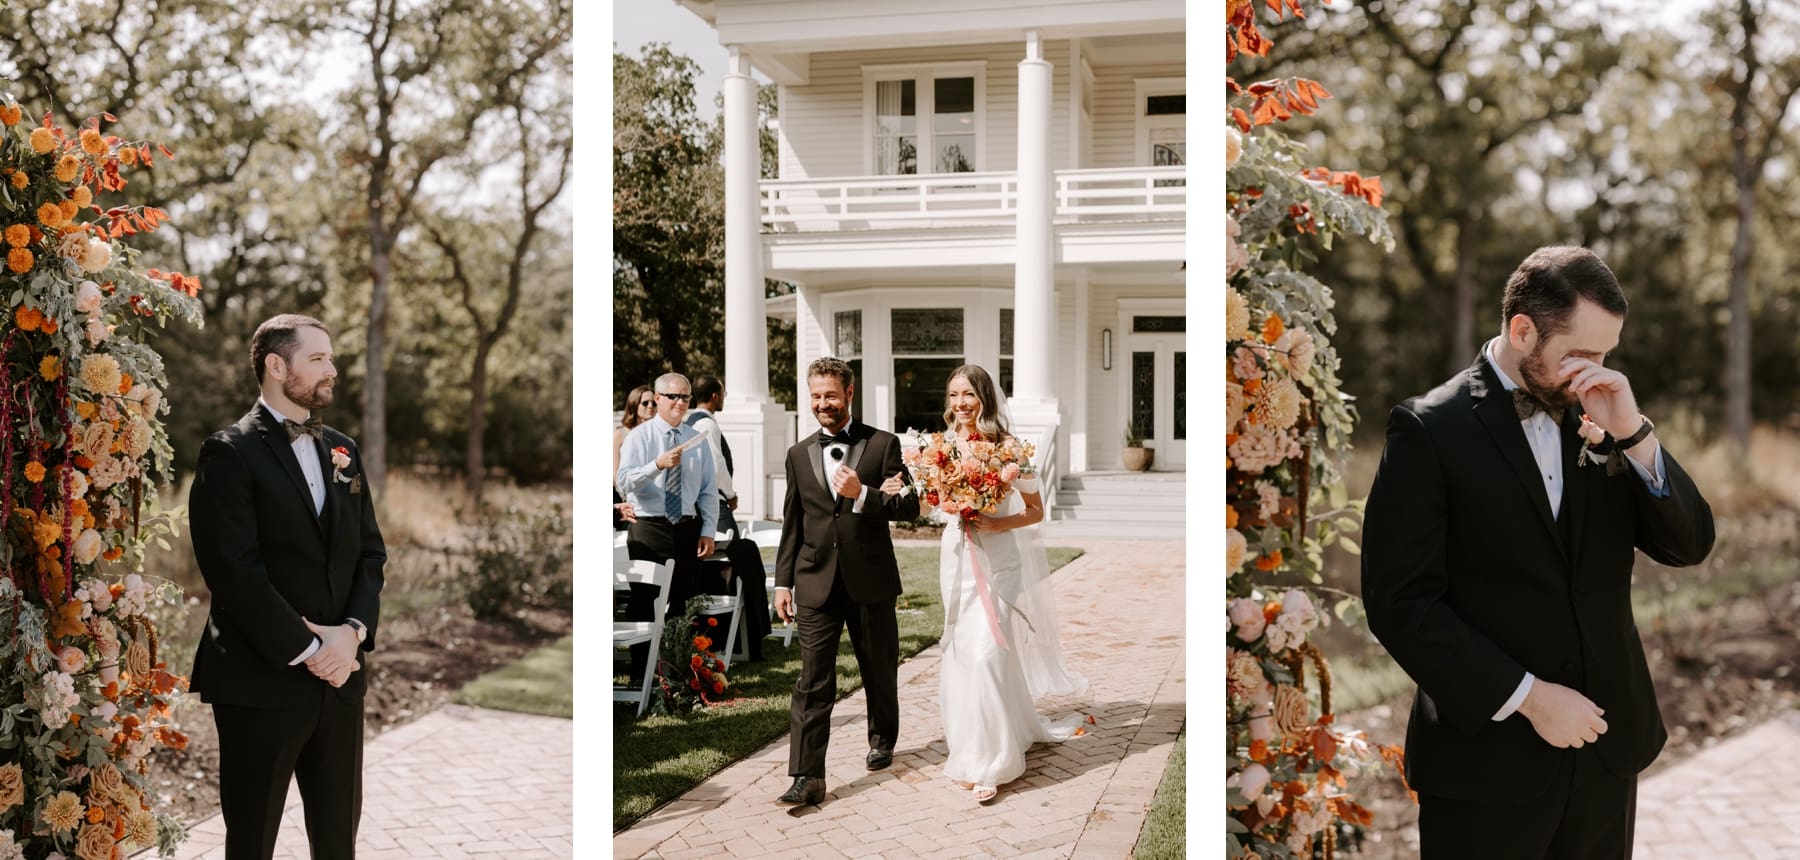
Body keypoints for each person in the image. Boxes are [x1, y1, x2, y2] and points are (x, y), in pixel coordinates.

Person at [1361, 246, 1715, 858]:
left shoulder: (1605, 416)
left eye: (1607, 354)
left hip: (1604, 758)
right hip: (1485, 771)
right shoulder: (1427, 430)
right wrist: (1530, 698)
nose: (1596, 372)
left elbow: (1690, 545)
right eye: (1582, 354)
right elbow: (1400, 603)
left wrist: (1633, 435)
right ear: (1523, 331)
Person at [188, 313, 387, 860]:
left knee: (338, 841)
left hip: (341, 679)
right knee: (252, 844)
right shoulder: (228, 451)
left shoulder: (343, 450)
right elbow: (233, 570)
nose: (332, 370)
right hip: (260, 680)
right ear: (276, 366)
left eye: (331, 358)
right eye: (317, 358)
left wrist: (351, 634)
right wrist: (311, 649)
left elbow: (370, 553)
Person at [884, 364, 1087, 805]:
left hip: (999, 563)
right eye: (954, 395)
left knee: (987, 654)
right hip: (957, 557)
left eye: (969, 394)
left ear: (985, 398)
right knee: (962, 654)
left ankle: (994, 762)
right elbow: (928, 504)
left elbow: (1035, 510)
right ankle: (975, 746)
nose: (960, 403)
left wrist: (997, 524)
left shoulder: (1009, 447)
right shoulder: (939, 449)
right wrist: (909, 491)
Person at [773, 357, 914, 806]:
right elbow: (792, 523)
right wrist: (782, 582)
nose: (823, 404)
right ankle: (807, 776)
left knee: (878, 668)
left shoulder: (883, 445)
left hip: (870, 577)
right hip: (815, 580)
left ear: (849, 393)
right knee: (812, 679)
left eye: (830, 395)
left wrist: (864, 495)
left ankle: (882, 739)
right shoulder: (798, 454)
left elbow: (909, 507)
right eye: (816, 396)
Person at [616, 373, 717, 675]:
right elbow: (624, 481)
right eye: (673, 396)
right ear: (658, 398)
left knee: (683, 601)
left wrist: (708, 530)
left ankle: (678, 672)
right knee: (644, 599)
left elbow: (708, 490)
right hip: (649, 527)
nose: (680, 402)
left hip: (686, 527)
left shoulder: (696, 439)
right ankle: (642, 671)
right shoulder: (640, 437)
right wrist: (656, 465)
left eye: (685, 397)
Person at [685, 375, 772, 659]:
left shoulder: (688, 422)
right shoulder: (706, 424)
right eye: (722, 393)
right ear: (714, 395)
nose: (723, 398)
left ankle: (721, 636)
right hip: (714, 505)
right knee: (730, 564)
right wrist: (730, 494)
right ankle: (733, 638)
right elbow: (716, 466)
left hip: (699, 504)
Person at [614, 385, 654, 528]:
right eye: (645, 403)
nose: (651, 406)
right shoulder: (620, 435)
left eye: (654, 403)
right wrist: (627, 500)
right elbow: (615, 474)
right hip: (627, 504)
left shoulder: (655, 435)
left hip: (653, 503)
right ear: (634, 405)